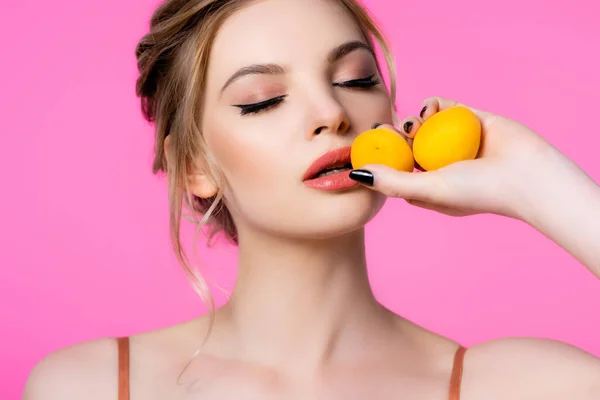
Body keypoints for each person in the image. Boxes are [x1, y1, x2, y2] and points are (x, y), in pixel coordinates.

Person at [23, 0, 600, 398]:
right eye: (263, 99)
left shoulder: (521, 387)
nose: (331, 113)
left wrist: (540, 183)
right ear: (194, 166)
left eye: (354, 79)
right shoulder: (89, 386)